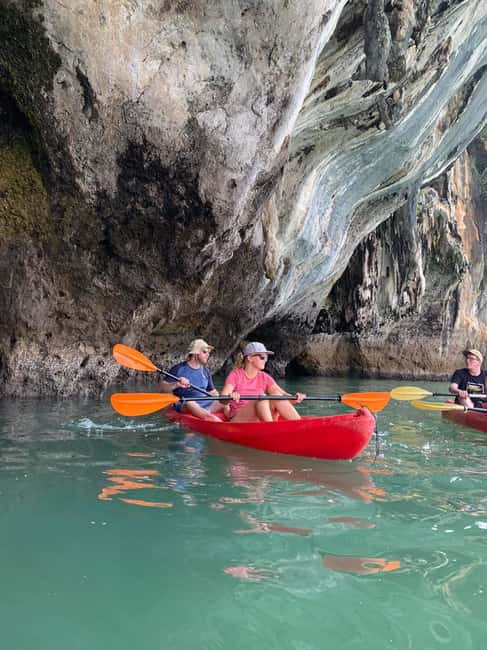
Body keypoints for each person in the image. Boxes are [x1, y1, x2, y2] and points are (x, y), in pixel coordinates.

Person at [219, 341, 306, 422]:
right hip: (238, 419)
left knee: (276, 395)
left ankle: (300, 425)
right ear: (250, 358)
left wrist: (295, 398)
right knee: (262, 398)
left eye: (266, 357)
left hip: (259, 417)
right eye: (262, 357)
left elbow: (282, 396)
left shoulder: (265, 377)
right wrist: (230, 396)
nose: (266, 360)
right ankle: (271, 429)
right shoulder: (235, 375)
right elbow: (223, 399)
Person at [159, 338, 225, 422]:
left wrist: (219, 397)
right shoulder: (179, 369)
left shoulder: (205, 370)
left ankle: (233, 420)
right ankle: (211, 419)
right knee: (190, 403)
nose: (208, 355)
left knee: (226, 402)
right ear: (195, 354)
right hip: (186, 404)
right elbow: (162, 387)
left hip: (204, 403)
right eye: (205, 352)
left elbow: (212, 391)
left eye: (208, 352)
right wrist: (176, 384)